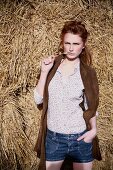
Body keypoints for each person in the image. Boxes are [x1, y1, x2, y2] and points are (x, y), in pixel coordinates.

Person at [34, 20, 102, 170]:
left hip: (80, 138)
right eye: (68, 43)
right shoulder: (51, 66)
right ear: (62, 43)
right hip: (54, 138)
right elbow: (38, 99)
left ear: (83, 45)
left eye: (76, 44)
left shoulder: (88, 73)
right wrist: (44, 72)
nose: (71, 48)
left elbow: (91, 105)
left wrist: (93, 131)